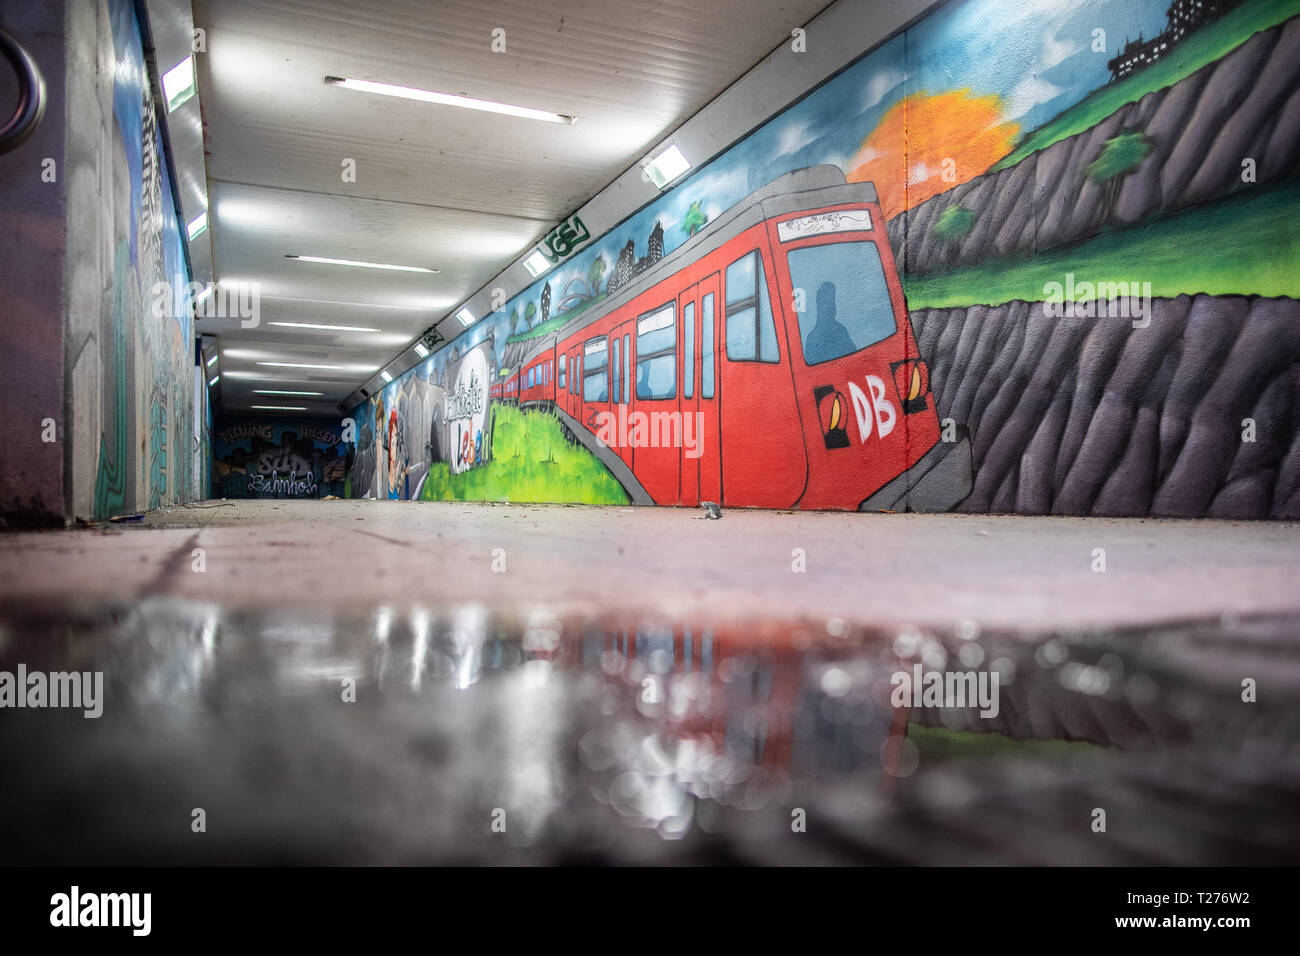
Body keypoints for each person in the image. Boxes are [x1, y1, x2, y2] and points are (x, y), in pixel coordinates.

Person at [806, 281, 856, 363]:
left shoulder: (841, 330)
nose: (832, 307)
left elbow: (854, 358)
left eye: (833, 302)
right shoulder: (813, 338)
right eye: (827, 303)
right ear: (819, 306)